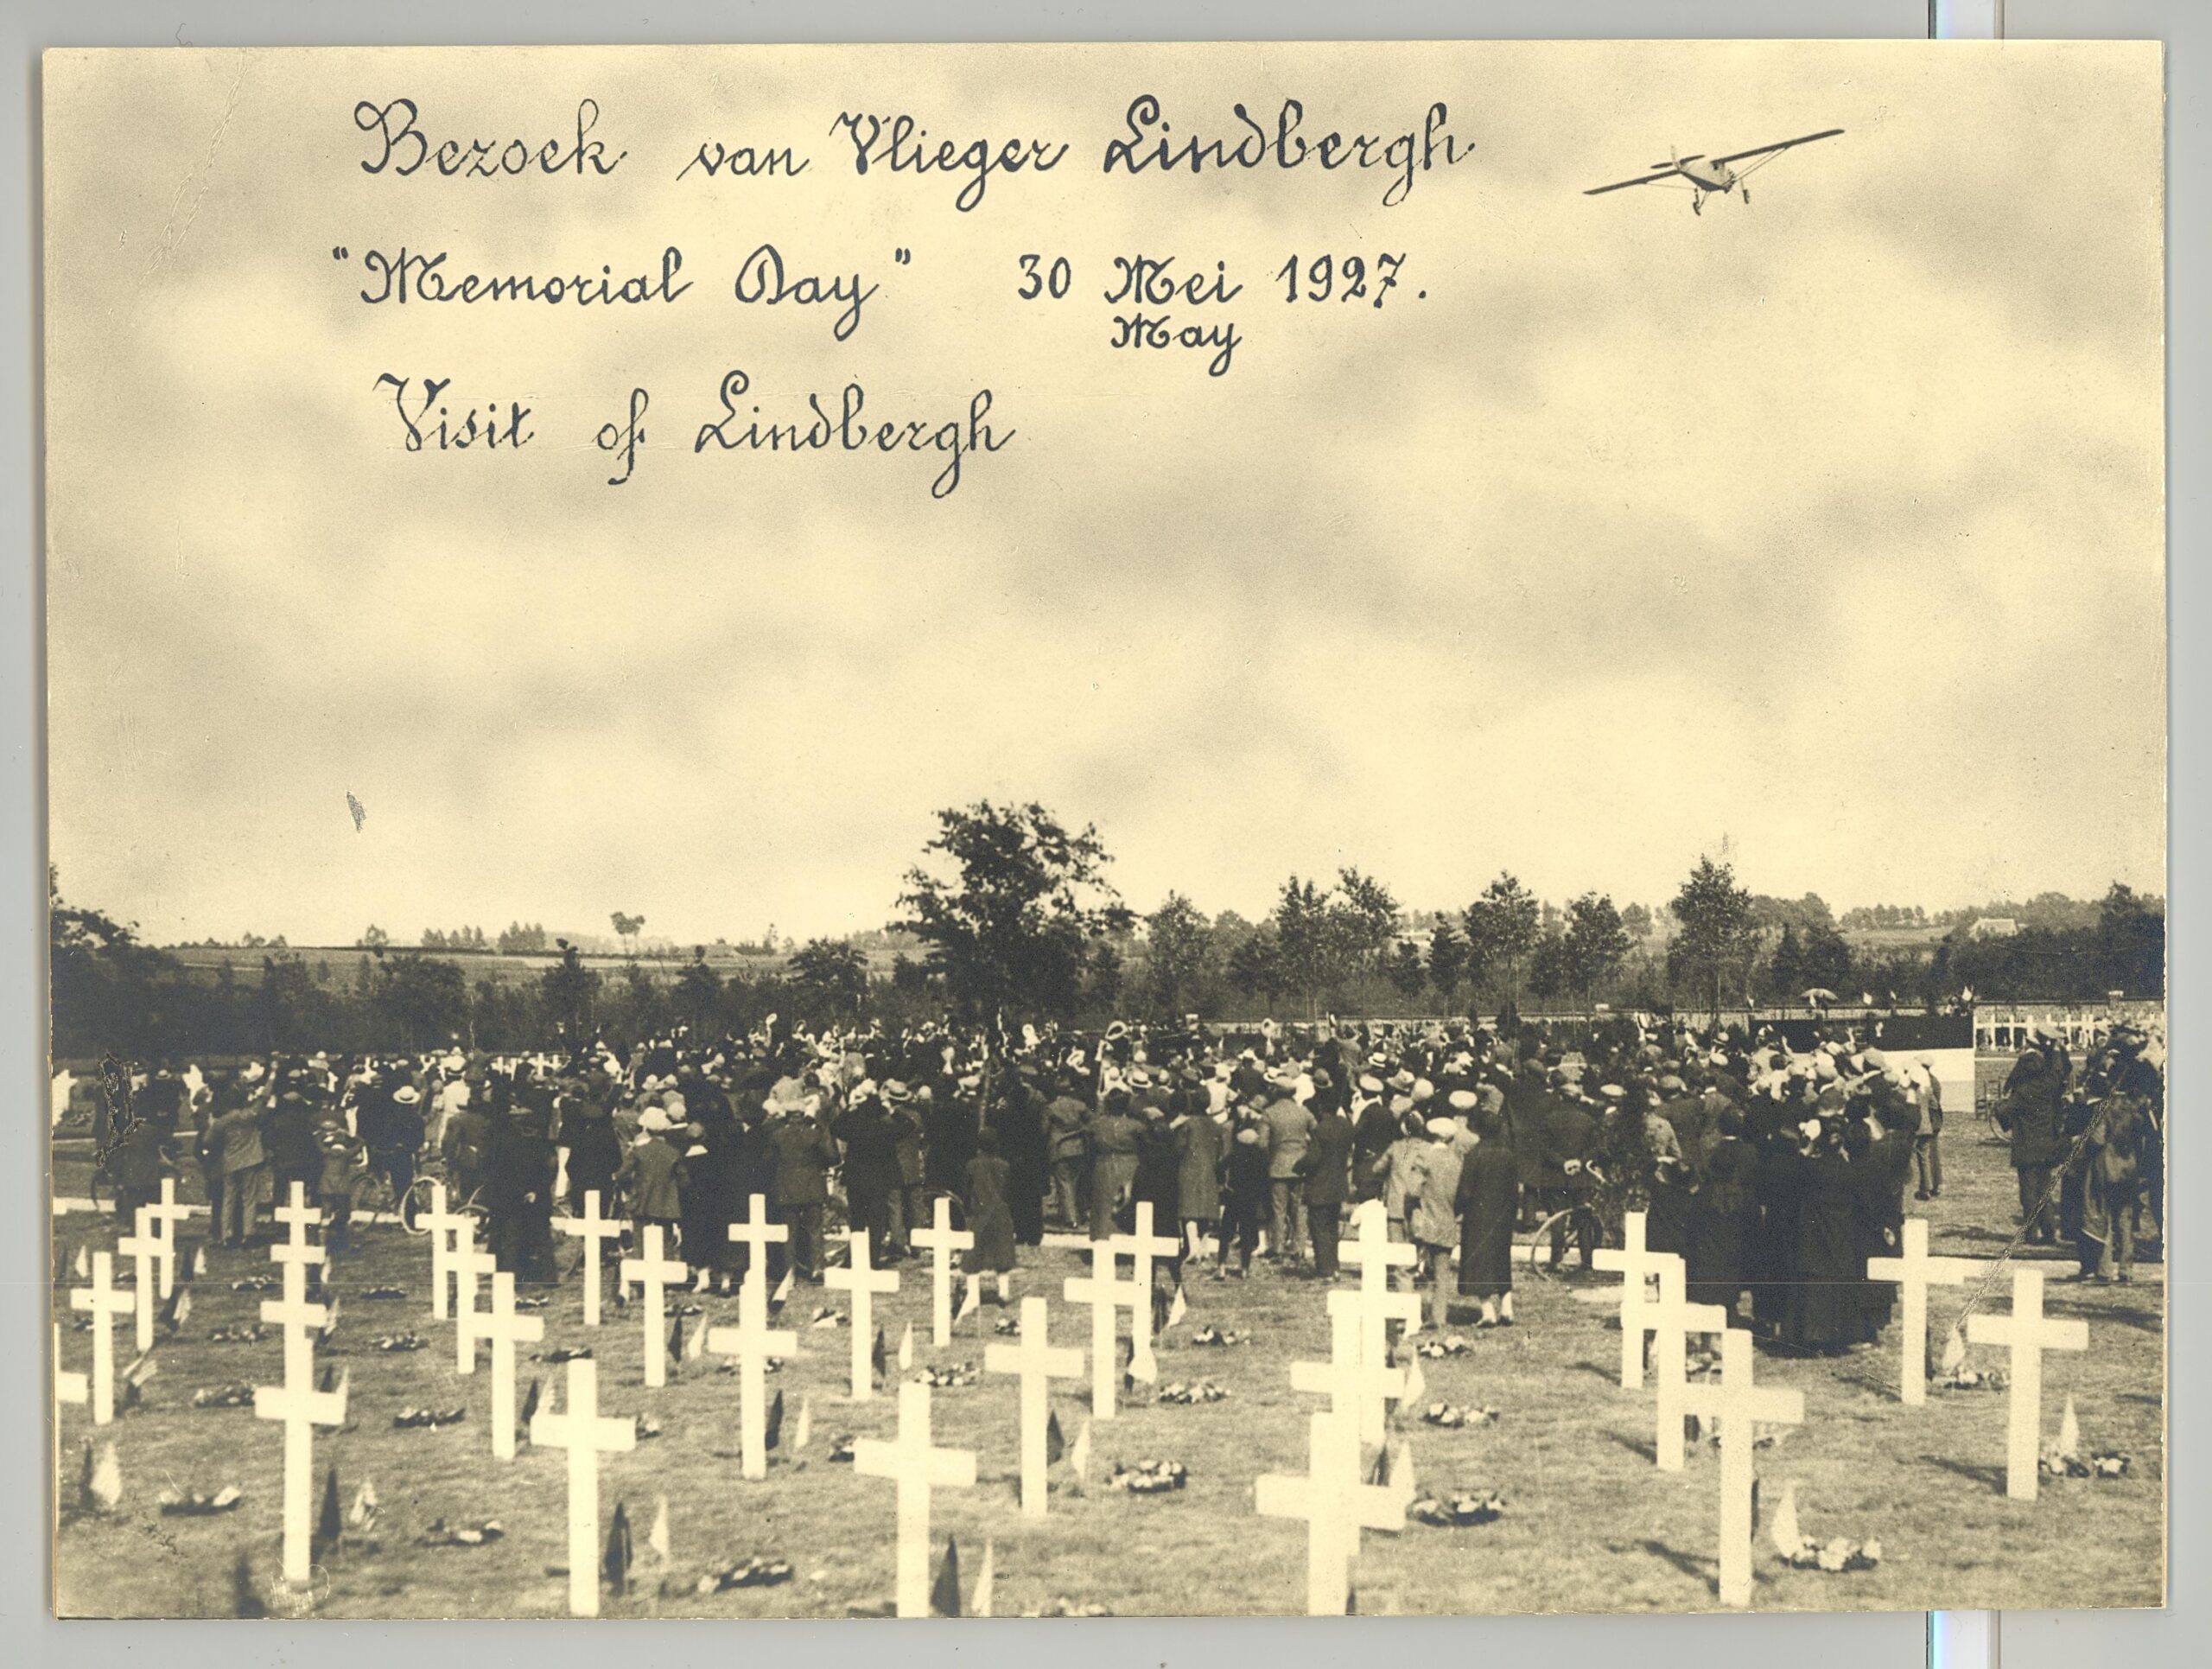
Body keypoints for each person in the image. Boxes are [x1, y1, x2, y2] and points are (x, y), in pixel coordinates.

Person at [1995, 1033, 2069, 1245]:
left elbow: (2003, 1112)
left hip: (2026, 1147)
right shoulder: (2048, 1085)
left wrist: (1999, 1104)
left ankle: (2031, 1233)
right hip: (2046, 1145)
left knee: (2028, 1193)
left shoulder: (2022, 1092)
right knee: (2045, 1190)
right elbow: (2058, 1071)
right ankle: (2049, 1232)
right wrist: (2056, 1048)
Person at [1454, 1105, 1519, 1326]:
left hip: (1478, 1217)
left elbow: (1465, 1190)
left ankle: (1488, 1312)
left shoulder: (1475, 1155)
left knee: (1478, 1262)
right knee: (1501, 1259)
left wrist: (1457, 1209)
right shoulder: (1508, 1156)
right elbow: (1514, 1189)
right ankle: (1507, 1308)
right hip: (1503, 1215)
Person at [766, 1090, 840, 1282]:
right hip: (812, 1185)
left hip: (786, 1187)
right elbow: (832, 1157)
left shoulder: (777, 1136)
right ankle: (817, 1268)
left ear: (787, 1116)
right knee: (815, 1229)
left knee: (789, 1232)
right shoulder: (815, 1135)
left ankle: (789, 1271)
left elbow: (769, 1161)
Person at [617, 1105, 689, 1252]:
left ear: (647, 1129)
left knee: (640, 1240)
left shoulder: (639, 1151)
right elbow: (684, 1180)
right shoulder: (673, 1152)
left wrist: (629, 1189)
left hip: (642, 1200)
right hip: (666, 1202)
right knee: (665, 1242)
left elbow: (623, 1174)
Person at [1262, 1073, 1316, 1264]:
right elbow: (1316, 1134)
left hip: (1278, 1165)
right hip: (1300, 1166)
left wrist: (1271, 1158)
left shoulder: (1269, 1113)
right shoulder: (1304, 1112)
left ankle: (1277, 1247)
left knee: (1278, 1209)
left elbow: (1262, 1143)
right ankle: (1298, 1248)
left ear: (1276, 1092)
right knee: (1300, 1209)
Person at [1300, 1095, 1355, 1279]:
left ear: (1322, 1109)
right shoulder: (1346, 1126)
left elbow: (1313, 1158)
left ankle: (1325, 1269)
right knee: (1332, 1227)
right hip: (1338, 1183)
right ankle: (1334, 1266)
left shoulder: (1320, 1129)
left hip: (1319, 1184)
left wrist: (1299, 1166)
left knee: (1318, 1227)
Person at [963, 1128, 1019, 1302]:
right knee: (1003, 1254)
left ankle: (972, 1292)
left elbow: (966, 1189)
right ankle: (1003, 1292)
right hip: (1000, 1212)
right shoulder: (1004, 1165)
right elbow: (1009, 1191)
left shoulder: (972, 1165)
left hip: (979, 1212)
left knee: (973, 1255)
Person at [1173, 1088, 1224, 1268]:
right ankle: (1204, 1247)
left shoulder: (1187, 1124)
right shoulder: (1215, 1124)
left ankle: (1193, 1247)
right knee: (1206, 1209)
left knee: (1189, 1209)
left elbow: (1179, 1147)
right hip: (1209, 1169)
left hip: (1189, 1167)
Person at [1217, 1124, 1270, 1277]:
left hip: (1234, 1196)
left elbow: (1219, 1167)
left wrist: (1223, 1183)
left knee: (1226, 1232)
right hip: (1250, 1198)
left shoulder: (1235, 1154)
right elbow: (1264, 1180)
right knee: (1246, 1234)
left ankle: (1221, 1266)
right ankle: (1245, 1269)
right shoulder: (1260, 1157)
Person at [1910, 1056, 1944, 1200]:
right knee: (1927, 1157)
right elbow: (1935, 1105)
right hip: (1929, 1125)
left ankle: (1924, 1187)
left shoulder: (1918, 1087)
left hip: (1922, 1125)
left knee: (1922, 1157)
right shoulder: (1931, 1084)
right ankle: (1930, 1186)